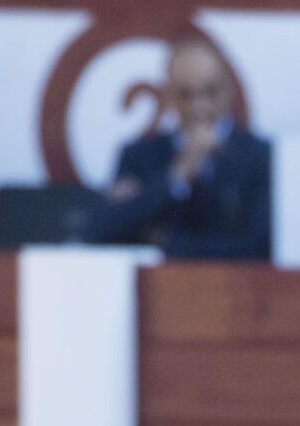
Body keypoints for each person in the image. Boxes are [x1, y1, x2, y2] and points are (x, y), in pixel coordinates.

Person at [88, 37, 272, 261]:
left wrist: (167, 243)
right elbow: (102, 231)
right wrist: (177, 175)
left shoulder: (259, 157)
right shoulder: (140, 156)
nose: (198, 107)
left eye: (210, 92)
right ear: (168, 95)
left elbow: (260, 246)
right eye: (186, 95)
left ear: (228, 89)